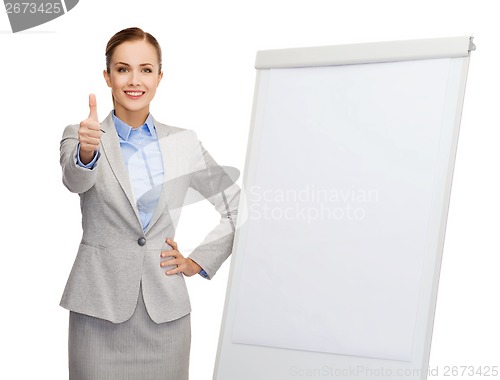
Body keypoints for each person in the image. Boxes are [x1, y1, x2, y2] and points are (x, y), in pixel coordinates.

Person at [59, 27, 240, 380]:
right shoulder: (83, 134)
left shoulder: (183, 143)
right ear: (107, 76)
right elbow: (75, 181)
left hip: (166, 316)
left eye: (145, 69)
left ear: (159, 76)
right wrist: (86, 152)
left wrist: (197, 262)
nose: (134, 80)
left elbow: (237, 206)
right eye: (123, 69)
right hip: (98, 312)